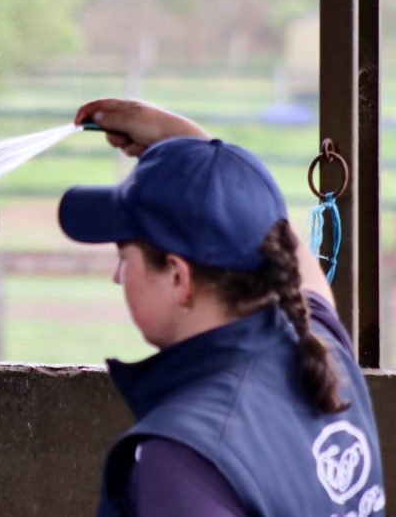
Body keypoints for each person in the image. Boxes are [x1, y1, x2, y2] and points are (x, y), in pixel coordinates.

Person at [58, 98, 385, 517]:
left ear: (178, 278)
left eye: (125, 258)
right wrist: (195, 149)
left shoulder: (182, 459)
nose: (118, 277)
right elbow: (273, 235)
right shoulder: (320, 348)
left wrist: (193, 147)